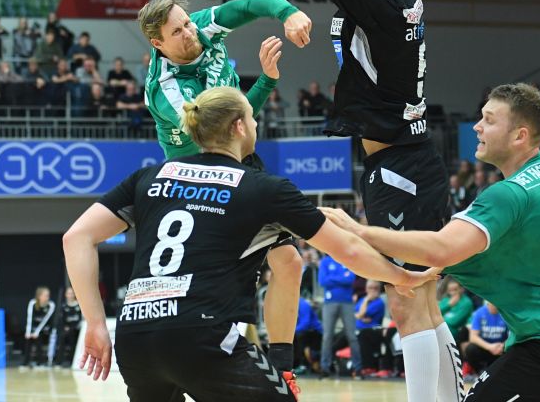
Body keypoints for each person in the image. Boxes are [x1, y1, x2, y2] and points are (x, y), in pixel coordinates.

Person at [225, 0, 458, 399]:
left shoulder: (380, 7)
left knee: (407, 297)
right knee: (419, 297)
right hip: (400, 159)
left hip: (403, 164)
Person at [62, 86, 435, 401]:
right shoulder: (263, 188)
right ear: (239, 126)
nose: (255, 125)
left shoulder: (149, 176)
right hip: (201, 334)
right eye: (253, 119)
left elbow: (76, 237)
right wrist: (401, 276)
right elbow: (347, 250)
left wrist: (95, 323)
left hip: (135, 338)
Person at [321, 82, 540, 401]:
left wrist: (359, 230)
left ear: (520, 136)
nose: (477, 127)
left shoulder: (507, 196)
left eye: (489, 120)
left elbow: (441, 248)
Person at [137, 0, 313, 378]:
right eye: (178, 32)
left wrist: (288, 13)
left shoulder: (203, 26)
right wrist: (266, 81)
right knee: (212, 286)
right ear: (157, 44)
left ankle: (283, 371)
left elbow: (252, 5)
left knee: (289, 262)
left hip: (238, 160)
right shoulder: (166, 89)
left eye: (187, 23)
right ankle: (187, 366)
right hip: (197, 178)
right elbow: (226, 131)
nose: (190, 33)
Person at [318, 253, 362, 376]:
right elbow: (322, 281)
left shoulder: (346, 258)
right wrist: (342, 277)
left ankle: (357, 368)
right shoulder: (325, 261)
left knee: (352, 336)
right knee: (327, 336)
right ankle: (325, 368)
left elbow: (351, 279)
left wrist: (331, 278)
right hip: (329, 302)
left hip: (347, 302)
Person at [463, 301, 509, 375]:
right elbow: (473, 337)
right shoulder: (480, 312)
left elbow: (512, 335)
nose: (493, 306)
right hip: (485, 347)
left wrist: (503, 345)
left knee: (513, 348)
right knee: (470, 349)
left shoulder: (506, 313)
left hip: (500, 347)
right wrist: (490, 347)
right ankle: (478, 371)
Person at [355, 279, 387, 375]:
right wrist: (360, 315)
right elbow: (355, 315)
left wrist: (366, 300)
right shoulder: (361, 300)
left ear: (379, 289)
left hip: (373, 329)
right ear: (366, 289)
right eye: (370, 288)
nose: (373, 290)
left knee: (363, 334)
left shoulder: (379, 302)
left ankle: (368, 367)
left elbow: (360, 314)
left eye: (375, 288)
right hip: (357, 328)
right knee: (341, 336)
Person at [24, 286, 56, 367]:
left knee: (39, 338)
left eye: (48, 295)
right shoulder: (32, 303)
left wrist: (36, 332)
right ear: (39, 296)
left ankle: (40, 362)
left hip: (45, 329)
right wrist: (28, 332)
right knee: (28, 339)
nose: (47, 297)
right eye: (45, 295)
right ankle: (26, 362)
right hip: (33, 328)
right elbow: (29, 318)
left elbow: (45, 320)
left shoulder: (51, 305)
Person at [57, 287, 84, 367]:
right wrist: (65, 327)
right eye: (68, 293)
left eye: (72, 293)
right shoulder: (63, 306)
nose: (70, 295)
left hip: (77, 329)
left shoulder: (79, 305)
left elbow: (82, 319)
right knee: (62, 337)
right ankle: (60, 361)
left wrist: (74, 327)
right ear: (66, 295)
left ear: (74, 294)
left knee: (73, 338)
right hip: (67, 329)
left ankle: (72, 361)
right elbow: (62, 320)